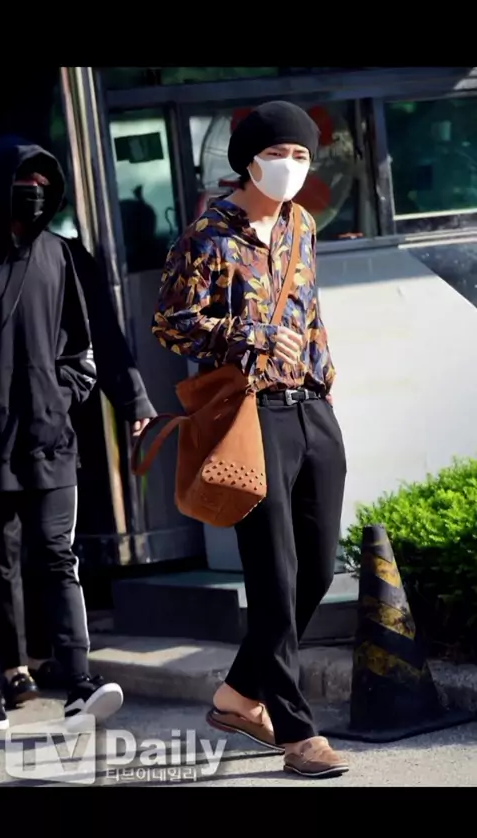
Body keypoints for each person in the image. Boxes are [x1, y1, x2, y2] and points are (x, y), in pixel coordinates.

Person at [151, 101, 348, 778]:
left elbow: (310, 310)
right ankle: (296, 734)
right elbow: (170, 323)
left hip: (312, 406)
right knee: (273, 576)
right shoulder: (207, 235)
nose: (290, 166)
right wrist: (249, 334)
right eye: (277, 154)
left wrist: (324, 377)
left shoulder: (302, 224)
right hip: (251, 413)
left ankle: (237, 695)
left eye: (301, 156)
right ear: (248, 161)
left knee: (318, 570)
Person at [0, 135, 123, 731]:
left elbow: (83, 350)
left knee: (57, 556)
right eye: (26, 180)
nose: (37, 191)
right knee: (0, 566)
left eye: (46, 183)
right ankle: (6, 678)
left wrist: (57, 396)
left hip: (50, 443)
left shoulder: (61, 256)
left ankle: (79, 684)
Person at [5, 235, 157, 703]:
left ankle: (67, 672)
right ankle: (14, 669)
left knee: (55, 551)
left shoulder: (64, 255)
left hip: (53, 433)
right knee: (5, 556)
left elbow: (97, 336)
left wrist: (131, 398)